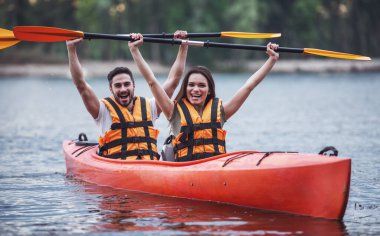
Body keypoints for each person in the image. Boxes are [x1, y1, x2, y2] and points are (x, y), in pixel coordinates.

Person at [128, 33, 279, 162]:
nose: (195, 89)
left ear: (209, 90)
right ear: (185, 88)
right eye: (191, 85)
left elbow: (249, 85)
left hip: (213, 170)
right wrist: (135, 50)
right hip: (185, 171)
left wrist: (271, 60)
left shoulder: (221, 111)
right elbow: (152, 81)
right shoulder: (173, 111)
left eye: (201, 85)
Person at [66, 31, 188, 160]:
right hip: (119, 170)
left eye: (126, 84)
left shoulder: (150, 107)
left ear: (133, 86)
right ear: (111, 89)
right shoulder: (102, 111)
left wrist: (183, 46)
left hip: (150, 169)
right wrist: (71, 49)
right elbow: (81, 85)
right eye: (118, 86)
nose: (123, 89)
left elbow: (173, 81)